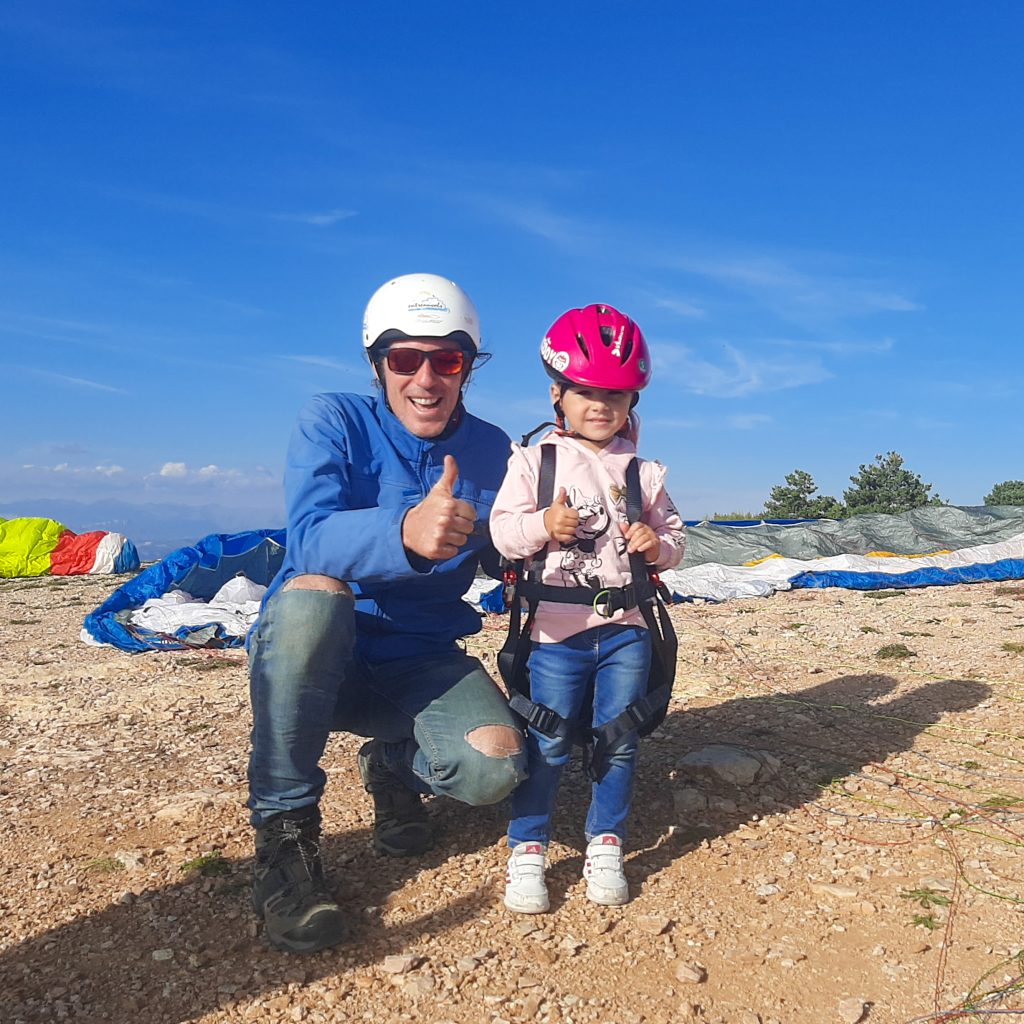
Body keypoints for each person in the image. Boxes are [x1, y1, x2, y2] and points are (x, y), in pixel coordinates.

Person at [247, 273, 528, 953]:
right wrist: (404, 530)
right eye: (406, 358)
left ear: (468, 367)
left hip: (419, 659)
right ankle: (284, 840)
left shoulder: (495, 448)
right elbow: (309, 535)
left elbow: (502, 547)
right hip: (317, 654)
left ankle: (393, 768)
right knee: (316, 593)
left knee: (494, 769)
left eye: (447, 360)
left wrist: (537, 555)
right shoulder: (333, 419)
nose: (426, 379)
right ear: (378, 364)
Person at [489, 303, 685, 913]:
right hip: (554, 635)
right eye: (586, 392)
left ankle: (606, 842)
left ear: (632, 404)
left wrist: (660, 545)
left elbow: (675, 536)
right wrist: (542, 525)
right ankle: (528, 849)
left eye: (617, 396)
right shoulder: (532, 463)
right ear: (558, 394)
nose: (601, 406)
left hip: (626, 630)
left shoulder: (643, 472)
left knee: (617, 739)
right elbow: (501, 532)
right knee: (546, 740)